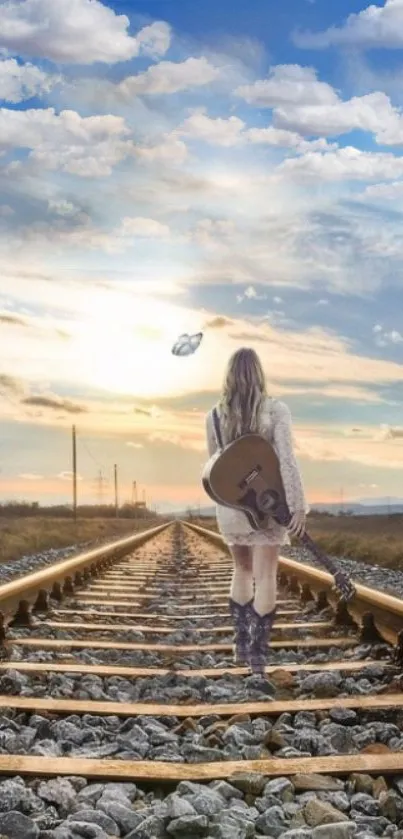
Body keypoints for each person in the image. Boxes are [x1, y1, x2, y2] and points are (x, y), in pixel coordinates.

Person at [205, 347, 308, 678]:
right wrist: (297, 507)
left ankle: (240, 645)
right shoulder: (276, 410)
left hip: (233, 506)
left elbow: (216, 466)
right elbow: (287, 461)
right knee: (266, 575)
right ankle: (258, 657)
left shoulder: (214, 416)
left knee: (241, 569)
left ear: (229, 376)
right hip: (267, 504)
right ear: (259, 374)